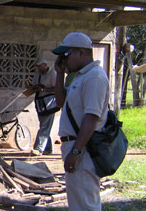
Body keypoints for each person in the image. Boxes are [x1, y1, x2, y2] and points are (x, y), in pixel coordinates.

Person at [52, 32, 109, 211]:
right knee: (78, 203)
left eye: (67, 55)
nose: (64, 60)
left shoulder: (95, 77)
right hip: (74, 145)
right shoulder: (80, 76)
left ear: (81, 53)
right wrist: (60, 74)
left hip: (83, 148)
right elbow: (61, 103)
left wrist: (76, 151)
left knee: (85, 204)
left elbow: (91, 118)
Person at [29, 57, 57, 156]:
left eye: (40, 66)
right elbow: (34, 85)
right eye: (37, 67)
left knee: (45, 125)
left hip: (50, 103)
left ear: (45, 65)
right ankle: (48, 148)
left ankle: (39, 148)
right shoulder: (38, 74)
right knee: (44, 125)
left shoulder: (52, 74)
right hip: (40, 102)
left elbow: (57, 88)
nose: (39, 69)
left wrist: (44, 90)